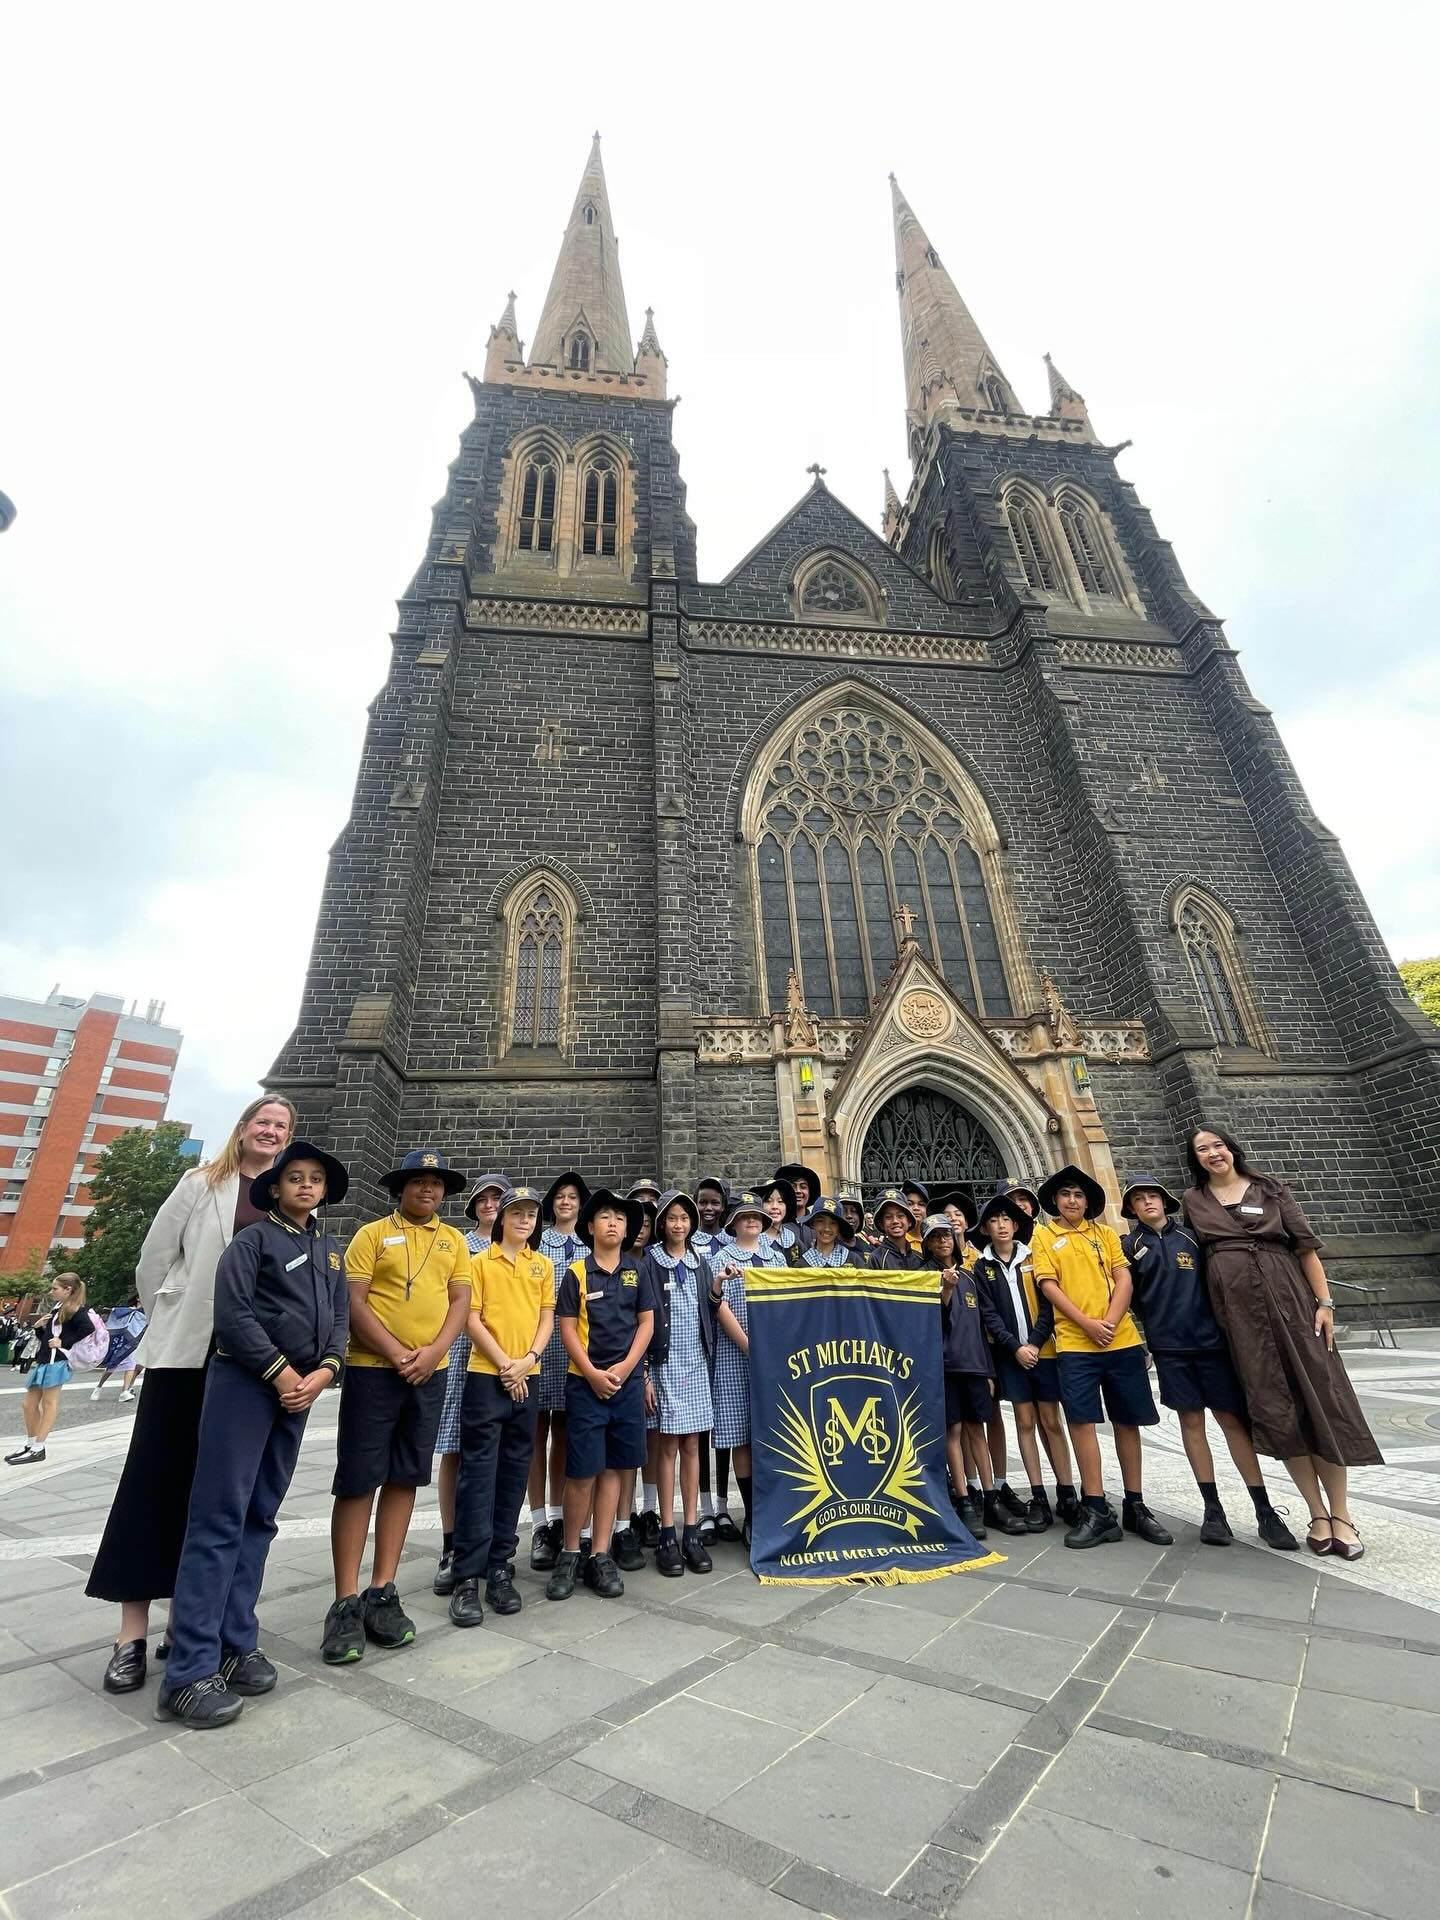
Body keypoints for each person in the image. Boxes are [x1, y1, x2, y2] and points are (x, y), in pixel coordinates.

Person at [85, 1094, 296, 1696]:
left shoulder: (286, 1197)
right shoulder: (201, 1182)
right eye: (263, 1121)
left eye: (281, 1126)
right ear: (244, 1127)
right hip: (187, 1358)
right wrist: (174, 1321)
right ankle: (130, 1636)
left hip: (250, 1366)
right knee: (153, 1484)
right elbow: (154, 1262)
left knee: (218, 1499)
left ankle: (190, 1625)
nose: (271, 1131)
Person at [157, 1141, 349, 1728]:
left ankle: (235, 1640)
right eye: (295, 1177)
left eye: (316, 1179)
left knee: (260, 1516)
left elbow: (339, 1319)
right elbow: (234, 1315)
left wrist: (324, 1372)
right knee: (218, 1518)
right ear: (276, 1187)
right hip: (246, 1385)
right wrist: (281, 1371)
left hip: (299, 1393)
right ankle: (188, 1669)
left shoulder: (329, 1251)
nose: (306, 1185)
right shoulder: (252, 1241)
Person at [1183, 1127, 1381, 1561]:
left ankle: (1342, 1514)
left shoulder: (1271, 1189)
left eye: (1218, 1145)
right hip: (1241, 1321)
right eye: (1202, 1149)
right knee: (1277, 1411)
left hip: (1293, 1307)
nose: (1213, 1153)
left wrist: (1324, 1304)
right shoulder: (1193, 1201)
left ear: (1231, 1149)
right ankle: (1316, 1513)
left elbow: (1306, 1249)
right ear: (1195, 1159)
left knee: (1321, 1402)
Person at [323, 1151, 473, 1665]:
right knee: (358, 1479)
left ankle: (381, 1589)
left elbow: (460, 1302)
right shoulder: (371, 1234)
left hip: (430, 1372)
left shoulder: (453, 1241)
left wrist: (433, 1354)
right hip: (372, 1369)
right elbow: (354, 1300)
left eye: (436, 1184)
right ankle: (345, 1600)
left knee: (406, 1476)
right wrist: (394, 1352)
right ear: (401, 1188)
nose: (428, 1190)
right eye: (418, 1182)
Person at [1121, 1177, 1297, 1552]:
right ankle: (1212, 1508)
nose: (1147, 1202)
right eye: (1139, 1199)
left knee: (1232, 1420)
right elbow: (1130, 1296)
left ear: (1164, 1202)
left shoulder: (1192, 1238)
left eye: (1153, 1196)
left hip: (1211, 1343)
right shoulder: (1129, 1246)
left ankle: (1264, 1509)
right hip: (1169, 1348)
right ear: (1130, 1209)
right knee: (1191, 1422)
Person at [1031, 1165, 1173, 1551]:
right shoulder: (1044, 1235)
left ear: (1088, 1201)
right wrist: (1086, 1324)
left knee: (1127, 1421)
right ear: (1055, 1201)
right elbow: (1049, 1285)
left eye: (1078, 1195)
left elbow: (1123, 1277)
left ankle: (1135, 1504)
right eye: (1065, 1194)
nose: (1072, 1201)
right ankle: (1096, 1508)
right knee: (1081, 1423)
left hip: (1120, 1339)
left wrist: (1109, 1321)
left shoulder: (1106, 1234)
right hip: (1076, 1344)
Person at [448, 1185, 556, 1625]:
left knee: (514, 1471)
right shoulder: (479, 1262)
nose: (524, 1220)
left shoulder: (543, 1265)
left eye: (531, 1214)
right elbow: (470, 1318)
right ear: (502, 1219)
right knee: (477, 1475)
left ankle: (498, 1565)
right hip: (486, 1375)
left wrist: (528, 1360)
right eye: (517, 1213)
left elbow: (546, 1317)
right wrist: (505, 1364)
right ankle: (466, 1576)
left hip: (527, 1376)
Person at [546, 1189, 654, 1601]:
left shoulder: (637, 1270)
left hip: (626, 1385)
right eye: (605, 1217)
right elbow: (566, 1328)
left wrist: (625, 1369)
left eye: (620, 1219)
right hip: (585, 1384)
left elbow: (646, 1324)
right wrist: (592, 1373)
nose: (613, 1223)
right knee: (582, 1472)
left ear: (627, 1230)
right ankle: (571, 1551)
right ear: (590, 1226)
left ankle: (601, 1553)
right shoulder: (577, 1272)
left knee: (613, 1469)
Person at [971, 1194, 1079, 1530]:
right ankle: (1038, 1495)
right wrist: (1015, 1347)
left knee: (1052, 1421)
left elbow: (1048, 1302)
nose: (1001, 1226)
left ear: (1016, 1225)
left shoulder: (1034, 1256)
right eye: (994, 1220)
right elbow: (988, 1314)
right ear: (985, 1229)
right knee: (1024, 1421)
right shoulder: (982, 1267)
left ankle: (1067, 1491)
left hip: (1043, 1350)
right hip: (1010, 1355)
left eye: (1006, 1219)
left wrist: (1034, 1341)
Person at [926, 1217, 1026, 1540]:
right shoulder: (924, 1277)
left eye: (947, 1236)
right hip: (944, 1368)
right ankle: (964, 1499)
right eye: (935, 1238)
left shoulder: (970, 1276)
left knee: (977, 1430)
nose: (943, 1242)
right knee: (952, 1431)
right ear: (927, 1244)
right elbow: (930, 1322)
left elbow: (982, 1327)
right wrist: (945, 1289)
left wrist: (988, 1371)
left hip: (974, 1366)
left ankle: (990, 1496)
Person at [432, 1171, 507, 1595]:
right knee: (455, 1449)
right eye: (483, 1198)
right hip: (462, 1353)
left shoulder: (517, 1246)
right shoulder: (460, 1244)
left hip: (502, 1358)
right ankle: (451, 1543)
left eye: (497, 1197)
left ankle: (488, 1541)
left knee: (493, 1454)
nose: (490, 1204)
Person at [640, 1190, 715, 1575]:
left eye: (685, 1218)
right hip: (664, 1364)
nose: (679, 1224)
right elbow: (641, 1318)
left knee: (692, 1445)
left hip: (696, 1363)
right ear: (662, 1223)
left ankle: (691, 1530)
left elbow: (711, 1307)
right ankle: (666, 1532)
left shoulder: (702, 1261)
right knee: (667, 1445)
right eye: (672, 1218)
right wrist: (644, 1375)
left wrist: (718, 1286)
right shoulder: (649, 1263)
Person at [529, 1171, 589, 1571]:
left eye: (573, 1197)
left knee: (567, 1435)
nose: (566, 1202)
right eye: (560, 1196)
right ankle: (539, 1524)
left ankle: (561, 1516)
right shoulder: (538, 1241)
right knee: (535, 1435)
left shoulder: (589, 1243)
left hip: (576, 1351)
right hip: (538, 1347)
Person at [706, 1190, 771, 1546]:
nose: (751, 1221)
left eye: (756, 1216)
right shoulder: (722, 1257)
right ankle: (752, 1515)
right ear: (733, 1223)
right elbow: (719, 1305)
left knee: (772, 1433)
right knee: (741, 1435)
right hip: (735, 1356)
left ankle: (772, 1509)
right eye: (745, 1216)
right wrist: (748, 1345)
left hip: (774, 1358)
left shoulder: (777, 1258)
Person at [6, 1274, 107, 1466]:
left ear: (68, 1290)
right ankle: (31, 1444)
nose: (51, 1292)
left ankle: (38, 1447)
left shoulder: (75, 1309)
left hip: (57, 1360)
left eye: (55, 1288)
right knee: (28, 1404)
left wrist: (64, 1342)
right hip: (46, 1359)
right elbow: (48, 1337)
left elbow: (87, 1328)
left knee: (49, 1403)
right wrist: (39, 1328)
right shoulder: (60, 1308)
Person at [690, 1176, 730, 1538]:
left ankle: (722, 1505)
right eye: (703, 1201)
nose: (708, 1208)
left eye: (715, 1202)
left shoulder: (733, 1243)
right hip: (699, 1341)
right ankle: (703, 1508)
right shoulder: (690, 1243)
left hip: (729, 1343)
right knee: (701, 1427)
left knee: (727, 1428)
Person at [91, 1299, 146, 1402]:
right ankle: (99, 1386)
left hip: (133, 1343)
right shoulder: (126, 1311)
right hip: (121, 1342)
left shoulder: (145, 1314)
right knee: (112, 1366)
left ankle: (125, 1391)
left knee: (131, 1365)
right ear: (138, 1299)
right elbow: (116, 1318)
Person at [871, 1189, 924, 1270]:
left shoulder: (919, 1258)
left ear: (909, 1221)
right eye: (888, 1217)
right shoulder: (876, 1258)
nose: (895, 1221)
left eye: (900, 1216)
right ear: (881, 1224)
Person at [801, 1196, 862, 1266]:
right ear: (812, 1224)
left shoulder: (854, 1260)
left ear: (839, 1228)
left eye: (833, 1223)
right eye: (820, 1221)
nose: (827, 1228)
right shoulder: (802, 1264)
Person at [757, 1177, 803, 1264]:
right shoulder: (753, 1239)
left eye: (780, 1201)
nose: (775, 1206)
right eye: (768, 1201)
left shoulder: (793, 1240)